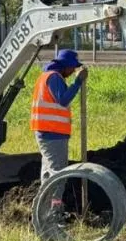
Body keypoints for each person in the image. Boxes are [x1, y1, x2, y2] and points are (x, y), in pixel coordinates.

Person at [30, 49, 87, 186]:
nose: (73, 71)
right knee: (58, 175)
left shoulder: (47, 76)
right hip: (52, 133)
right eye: (72, 67)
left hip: (48, 131)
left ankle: (43, 205)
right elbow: (63, 100)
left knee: (48, 172)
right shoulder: (54, 77)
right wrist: (78, 81)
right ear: (65, 66)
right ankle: (54, 207)